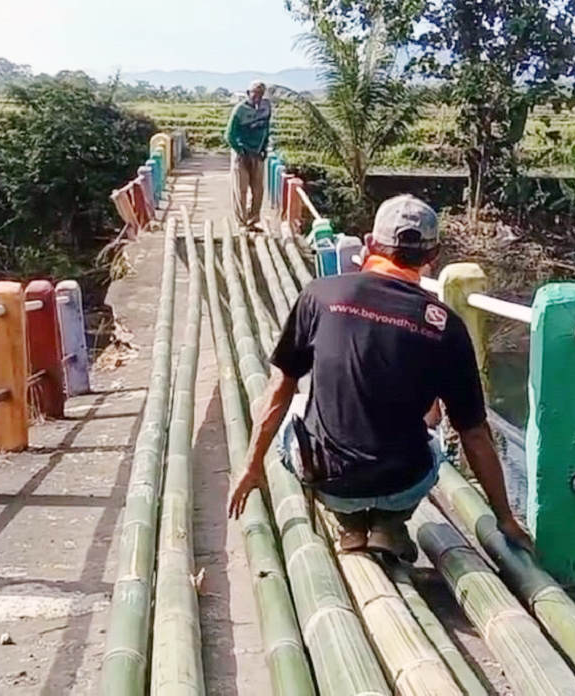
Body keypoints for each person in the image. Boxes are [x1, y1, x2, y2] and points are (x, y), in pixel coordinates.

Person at [228, 195, 533, 561]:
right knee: (433, 440)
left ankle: (351, 524)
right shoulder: (445, 325)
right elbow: (474, 433)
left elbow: (280, 390)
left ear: (370, 244)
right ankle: (389, 524)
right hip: (404, 484)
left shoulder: (319, 295)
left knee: (293, 406)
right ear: (432, 256)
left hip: (330, 481)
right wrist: (505, 518)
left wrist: (250, 467)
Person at [225, 81, 272, 230]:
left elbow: (266, 129)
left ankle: (253, 220)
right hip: (242, 154)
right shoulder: (239, 110)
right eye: (254, 93)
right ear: (248, 93)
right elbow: (229, 135)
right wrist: (239, 149)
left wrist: (264, 147)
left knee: (258, 190)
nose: (257, 96)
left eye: (260, 94)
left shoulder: (266, 108)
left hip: (257, 153)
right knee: (241, 189)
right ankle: (242, 223)